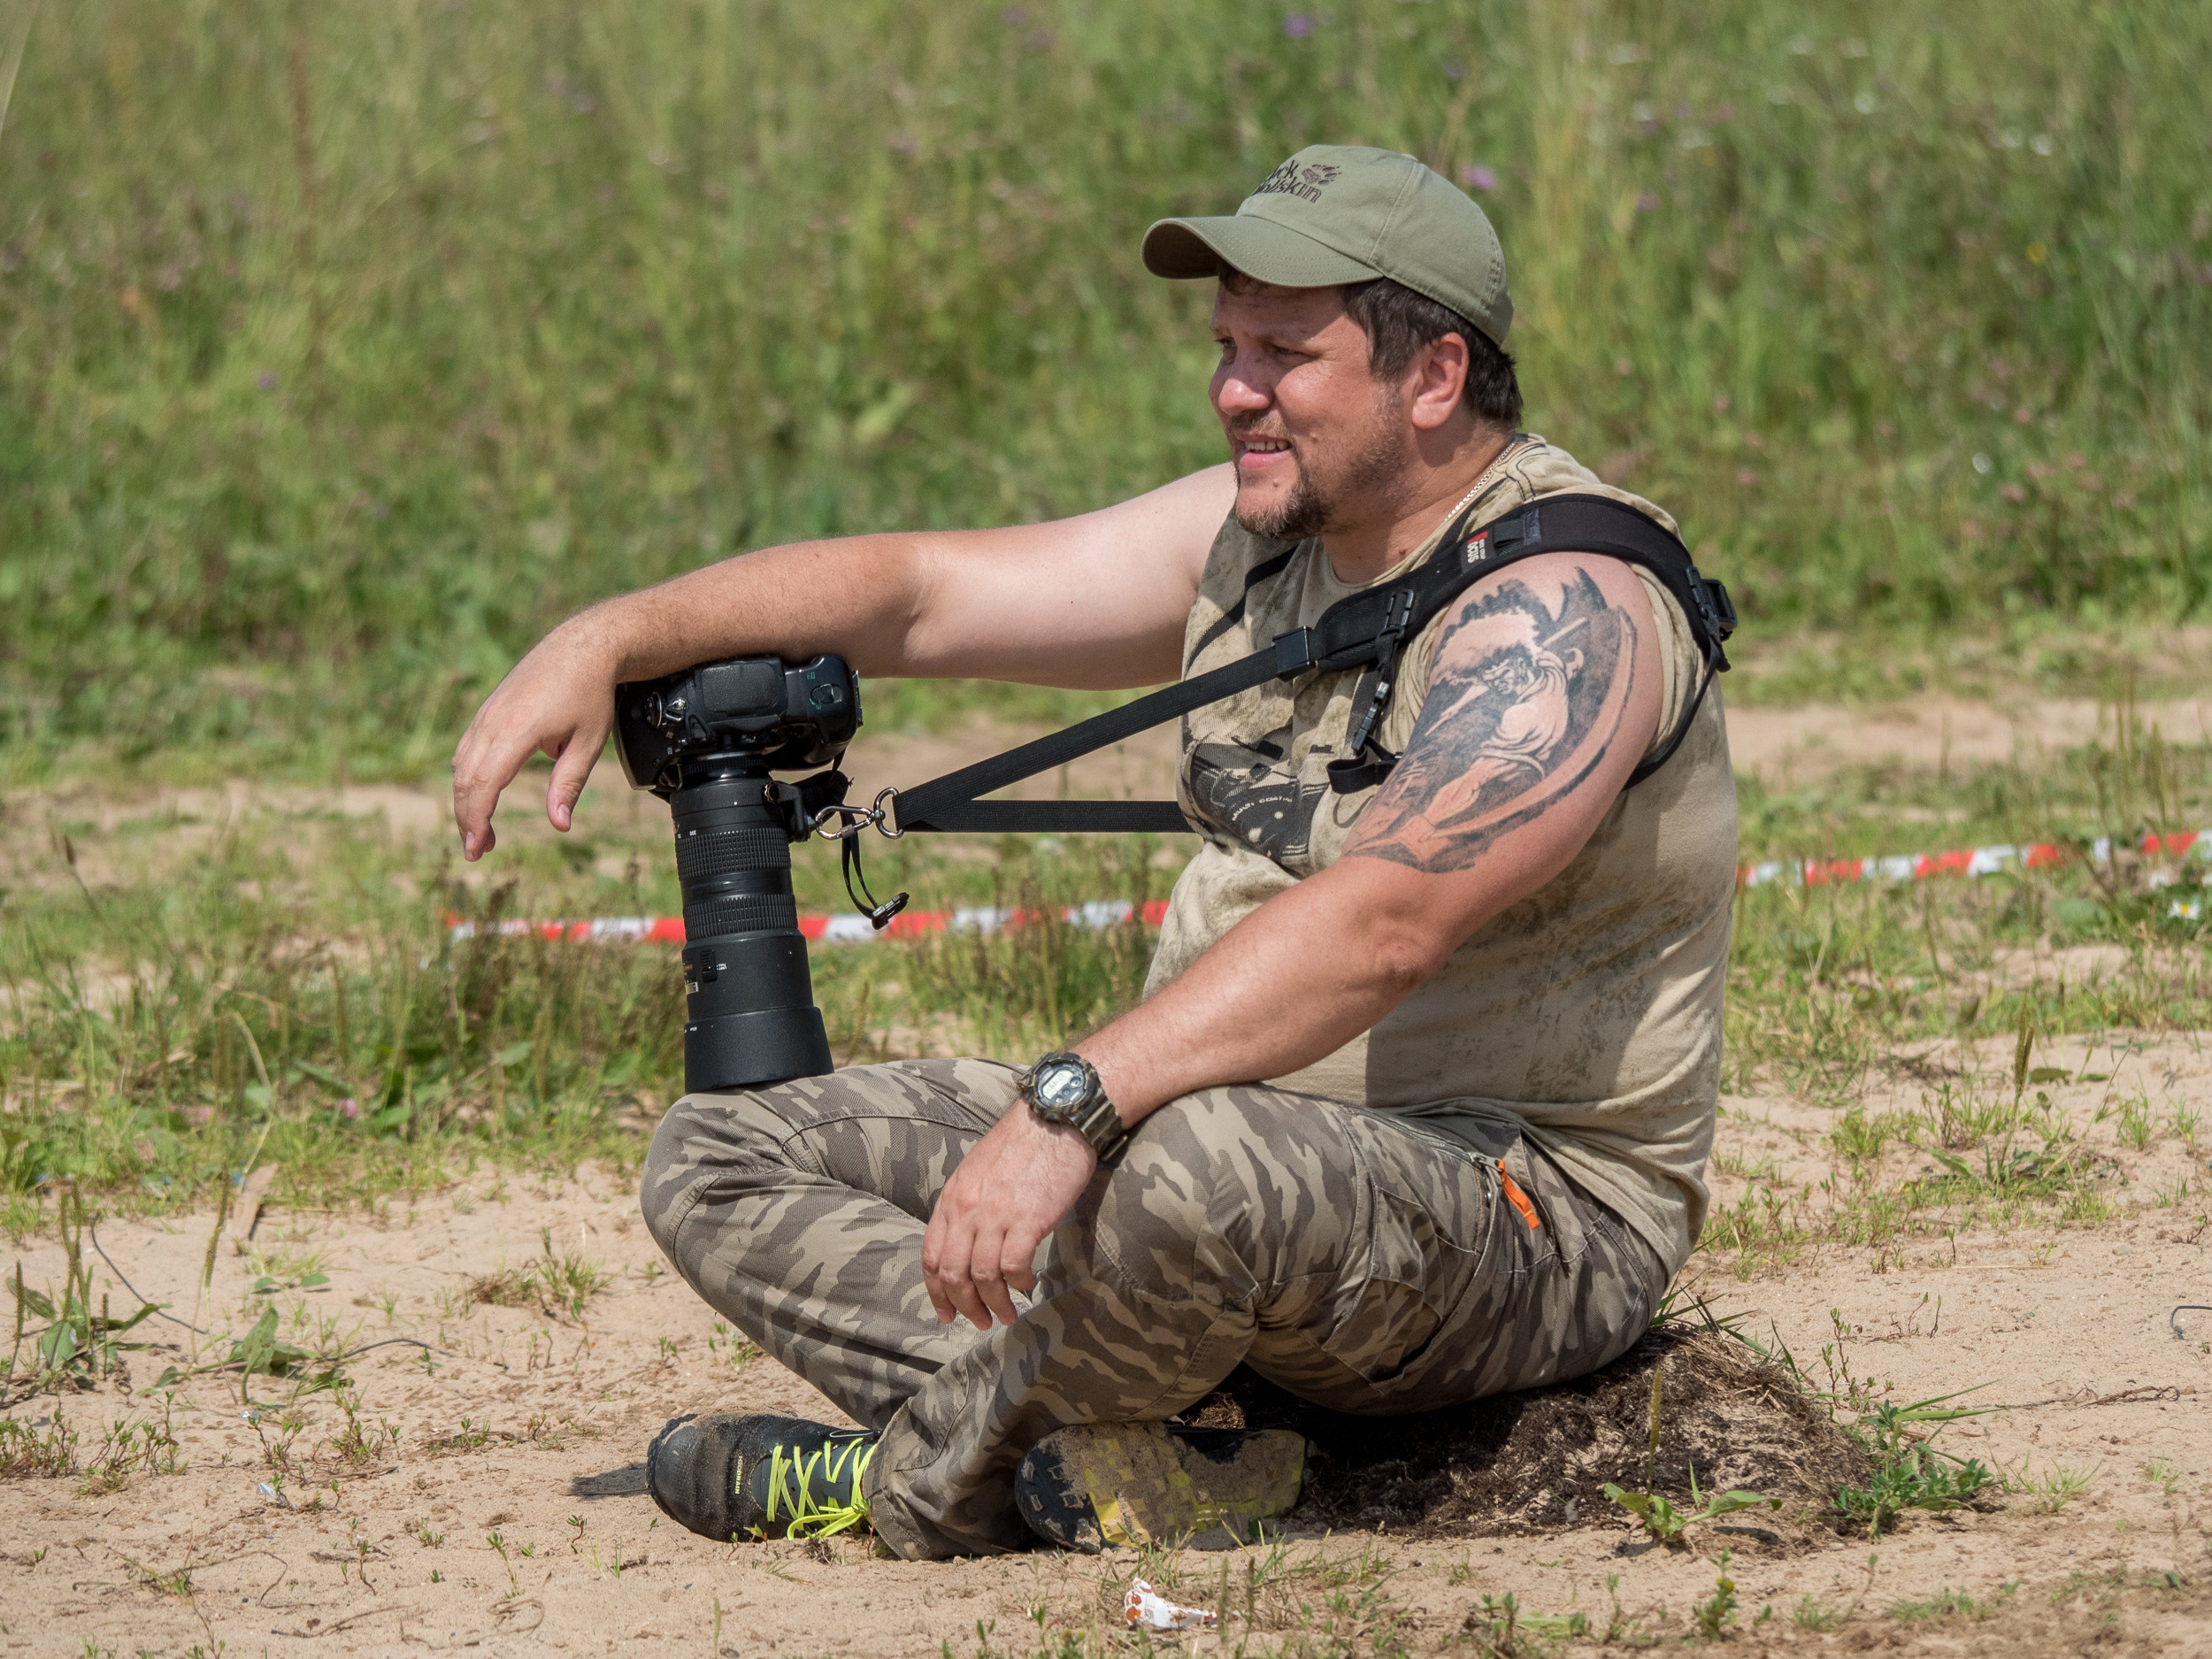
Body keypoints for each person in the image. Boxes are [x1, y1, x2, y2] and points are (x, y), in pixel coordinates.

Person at [449, 145, 1738, 1560]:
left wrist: (1074, 1105)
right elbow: (923, 596)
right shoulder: (1264, 537)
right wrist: (610, 634)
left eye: (1285, 355)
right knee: (726, 1151)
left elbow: (1390, 924)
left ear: (1435, 377)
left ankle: (921, 1481)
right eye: (1227, 347)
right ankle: (1151, 1442)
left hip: (1525, 1211)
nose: (1234, 390)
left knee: (1192, 1159)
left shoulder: (1567, 605)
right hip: (1207, 1145)